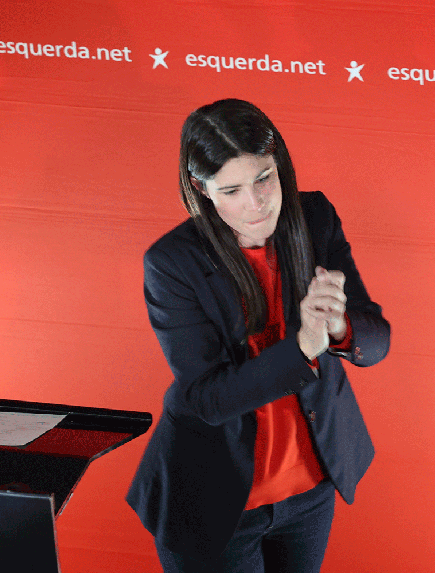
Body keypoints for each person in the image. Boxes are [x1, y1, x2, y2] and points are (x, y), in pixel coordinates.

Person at [126, 99, 390, 573]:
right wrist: (304, 348)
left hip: (310, 490)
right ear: (200, 188)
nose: (256, 203)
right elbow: (208, 399)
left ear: (279, 164)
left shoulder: (314, 216)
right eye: (231, 190)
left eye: (264, 178)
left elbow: (375, 340)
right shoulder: (172, 263)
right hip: (213, 498)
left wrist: (338, 327)